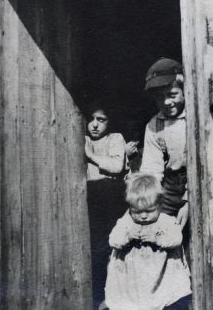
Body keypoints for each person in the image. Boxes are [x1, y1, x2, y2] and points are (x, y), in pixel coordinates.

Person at [103, 174, 191, 310]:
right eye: (137, 211)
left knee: (166, 299)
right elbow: (113, 240)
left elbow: (176, 238)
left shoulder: (166, 221)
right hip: (132, 279)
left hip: (162, 275)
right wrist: (127, 237)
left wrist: (158, 239)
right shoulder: (126, 222)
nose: (143, 216)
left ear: (160, 204)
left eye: (149, 211)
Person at [84, 103, 138, 309]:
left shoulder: (115, 138)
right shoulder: (84, 139)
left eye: (101, 119)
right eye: (92, 119)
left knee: (114, 244)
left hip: (110, 195)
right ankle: (99, 296)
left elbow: (116, 166)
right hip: (91, 196)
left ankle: (118, 295)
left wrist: (90, 155)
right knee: (96, 246)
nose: (95, 125)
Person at [139, 58, 188, 227]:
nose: (167, 102)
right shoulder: (154, 125)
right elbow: (151, 170)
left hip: (196, 183)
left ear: (184, 91)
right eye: (160, 97)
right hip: (170, 187)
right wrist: (143, 202)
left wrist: (190, 200)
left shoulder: (194, 118)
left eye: (172, 95)